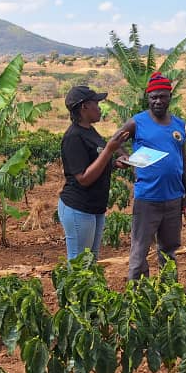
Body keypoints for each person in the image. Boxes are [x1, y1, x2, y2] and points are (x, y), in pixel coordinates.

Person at [118, 72, 186, 280]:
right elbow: (114, 142)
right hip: (147, 198)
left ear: (169, 96)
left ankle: (169, 289)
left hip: (173, 198)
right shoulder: (137, 122)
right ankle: (138, 293)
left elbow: (183, 160)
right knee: (140, 250)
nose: (158, 101)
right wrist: (126, 159)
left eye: (162, 96)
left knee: (169, 249)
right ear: (148, 99)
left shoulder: (179, 125)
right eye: (153, 97)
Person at [58, 85, 131, 260]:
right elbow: (83, 178)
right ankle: (72, 289)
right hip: (79, 207)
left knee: (91, 260)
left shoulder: (89, 130)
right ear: (84, 107)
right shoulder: (73, 137)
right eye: (96, 103)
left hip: (95, 207)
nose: (99, 108)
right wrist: (109, 150)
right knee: (79, 263)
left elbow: (95, 161)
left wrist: (115, 163)